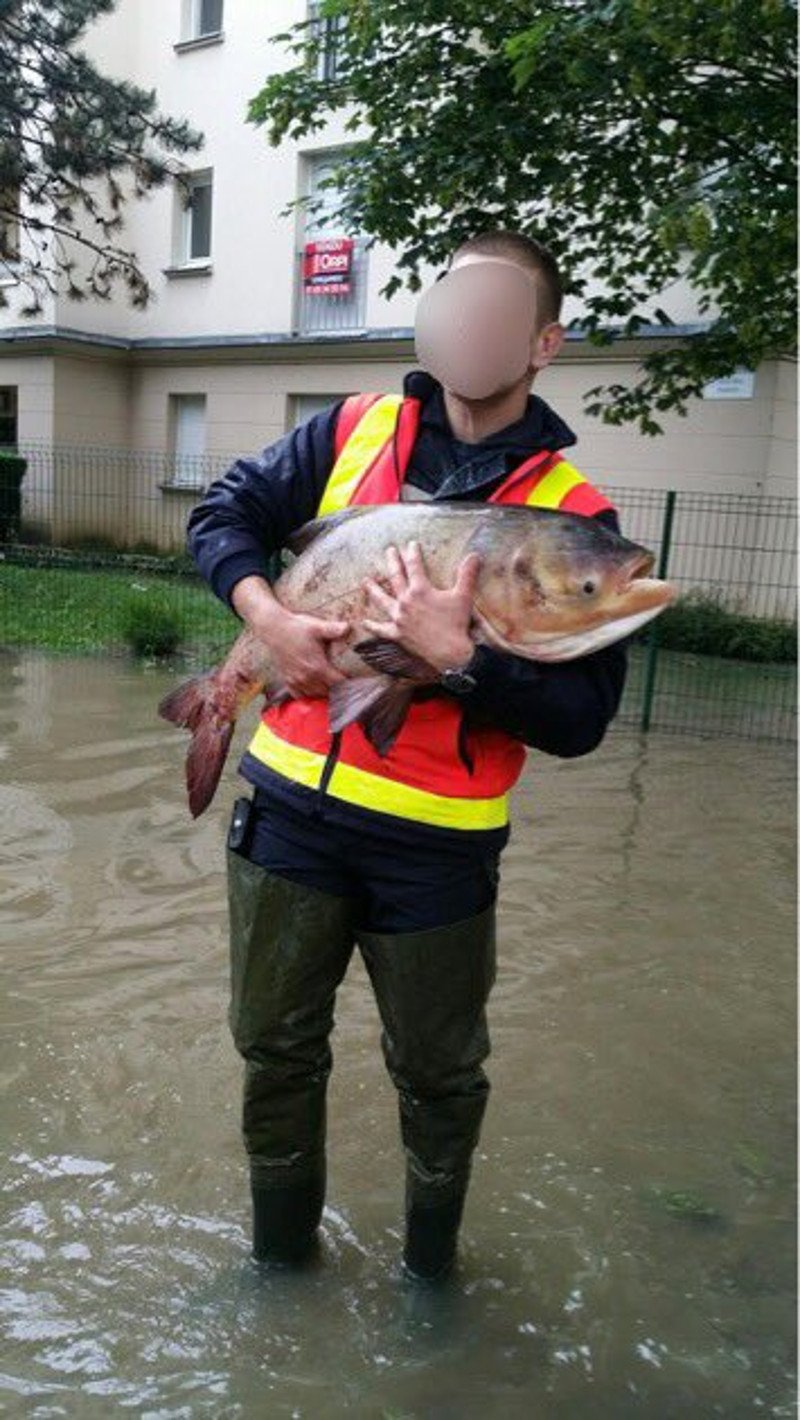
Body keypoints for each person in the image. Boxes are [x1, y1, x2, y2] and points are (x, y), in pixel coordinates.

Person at [187, 230, 627, 1281]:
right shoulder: (349, 427)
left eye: (496, 312)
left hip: (436, 855)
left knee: (439, 1078)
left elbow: (579, 721)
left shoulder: (574, 520)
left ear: (540, 342)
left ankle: (431, 1281)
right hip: (289, 815)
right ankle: (277, 1271)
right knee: (275, 1053)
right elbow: (224, 516)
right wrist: (268, 620)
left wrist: (462, 662)